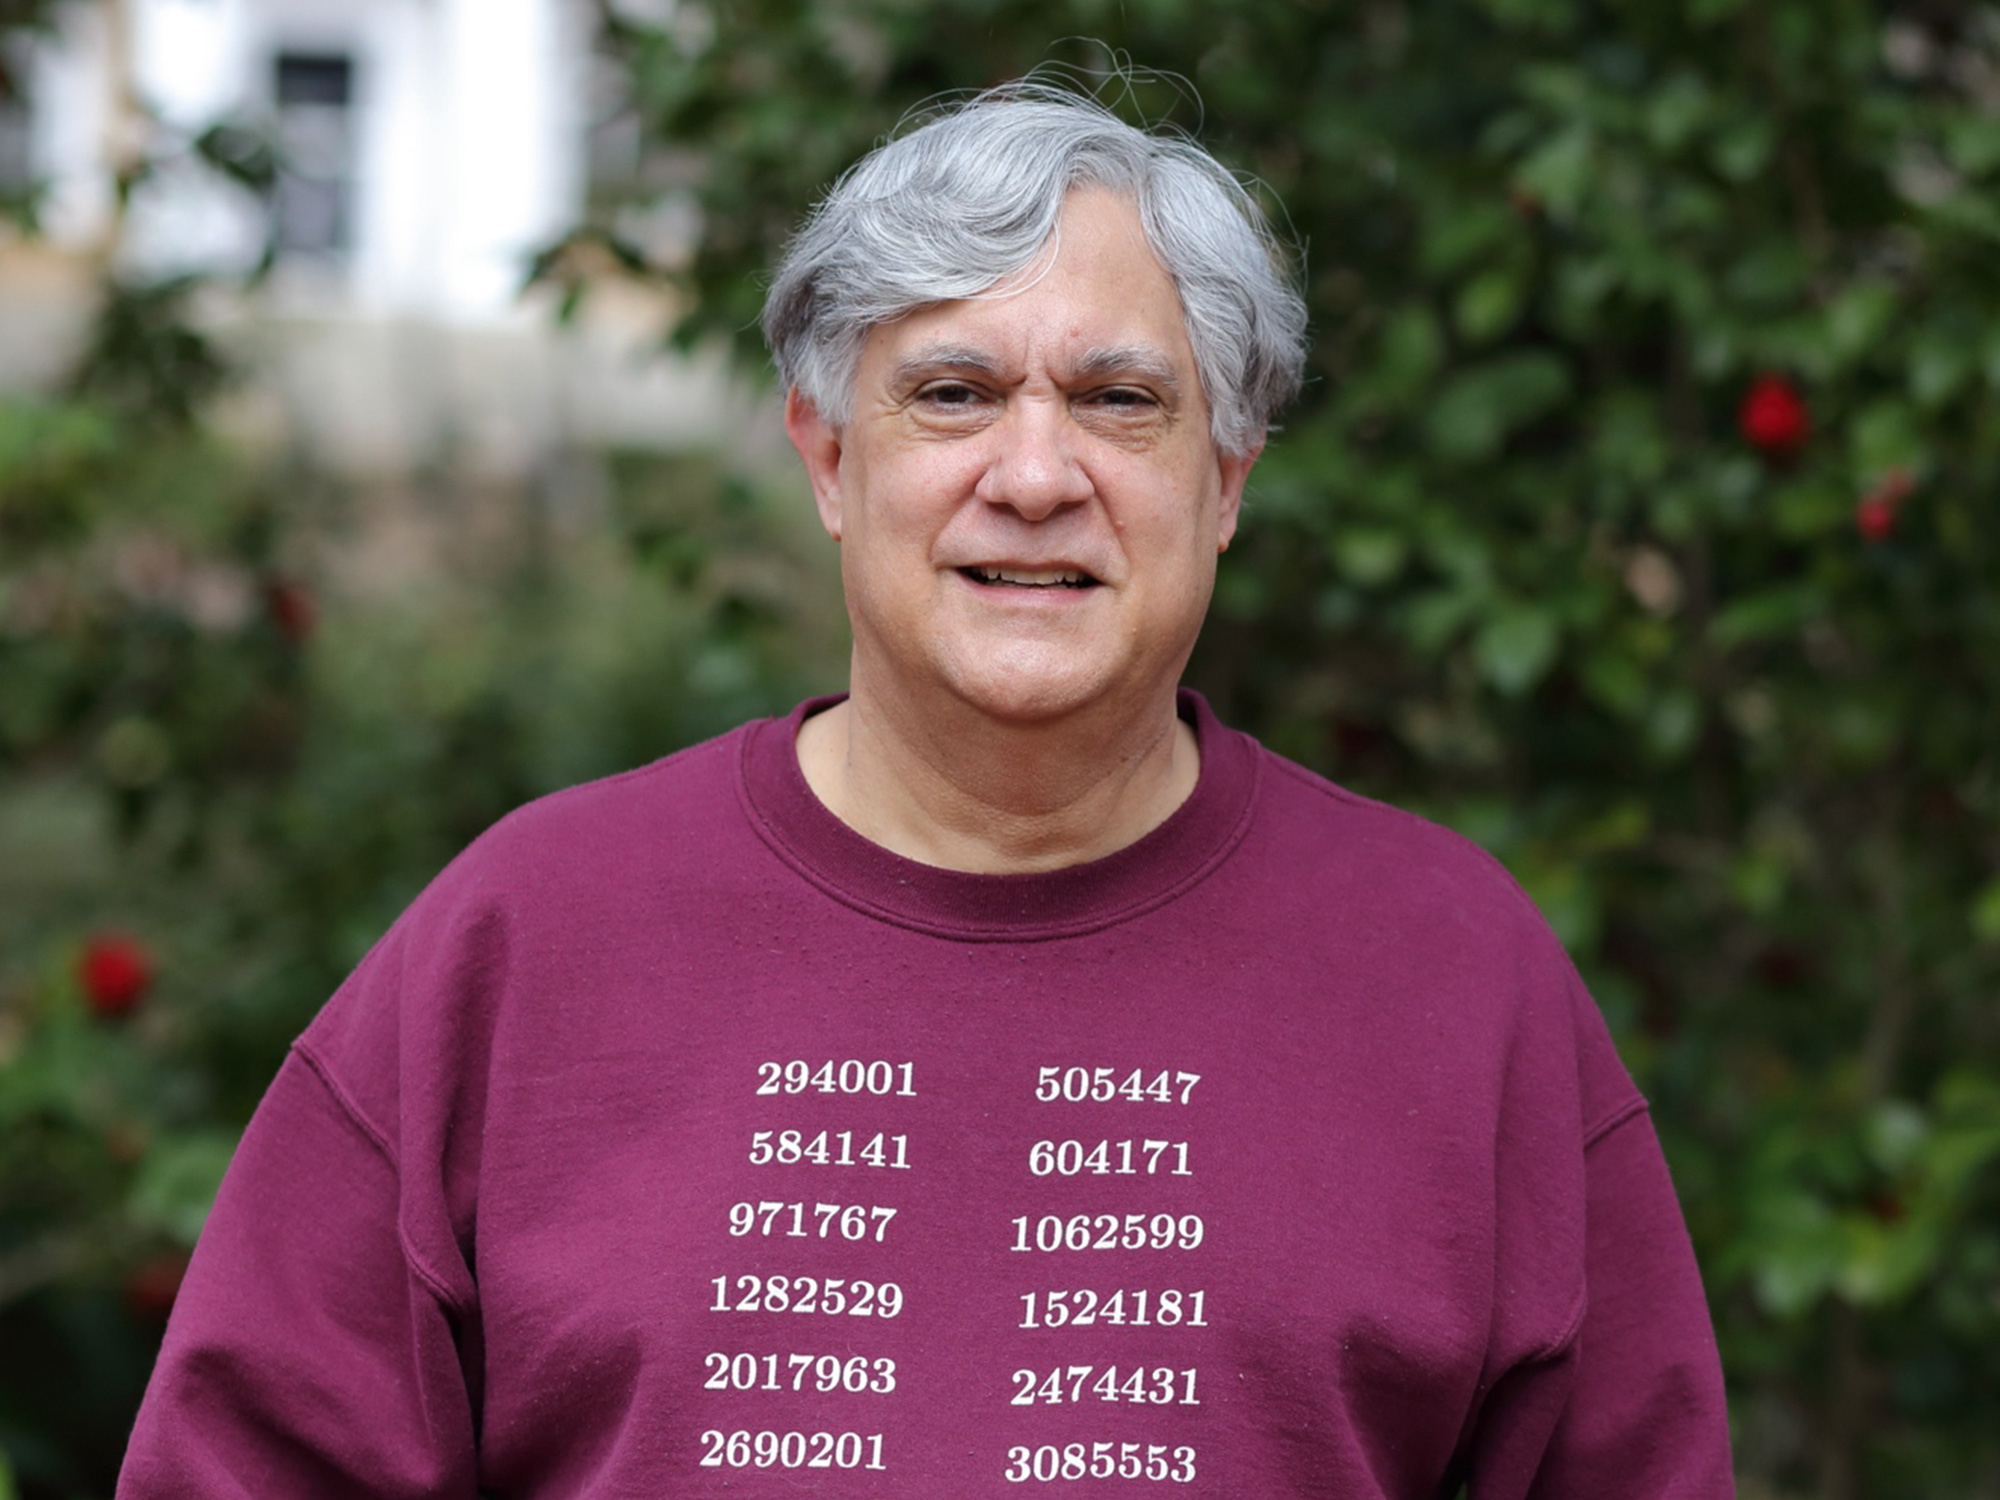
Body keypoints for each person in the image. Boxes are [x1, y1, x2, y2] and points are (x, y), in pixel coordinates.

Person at [118, 81, 1734, 1498]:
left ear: (1225, 479)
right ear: (829, 460)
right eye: (952, 395)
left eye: (1120, 402)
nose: (1035, 479)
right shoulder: (527, 938)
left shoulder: (1456, 970)